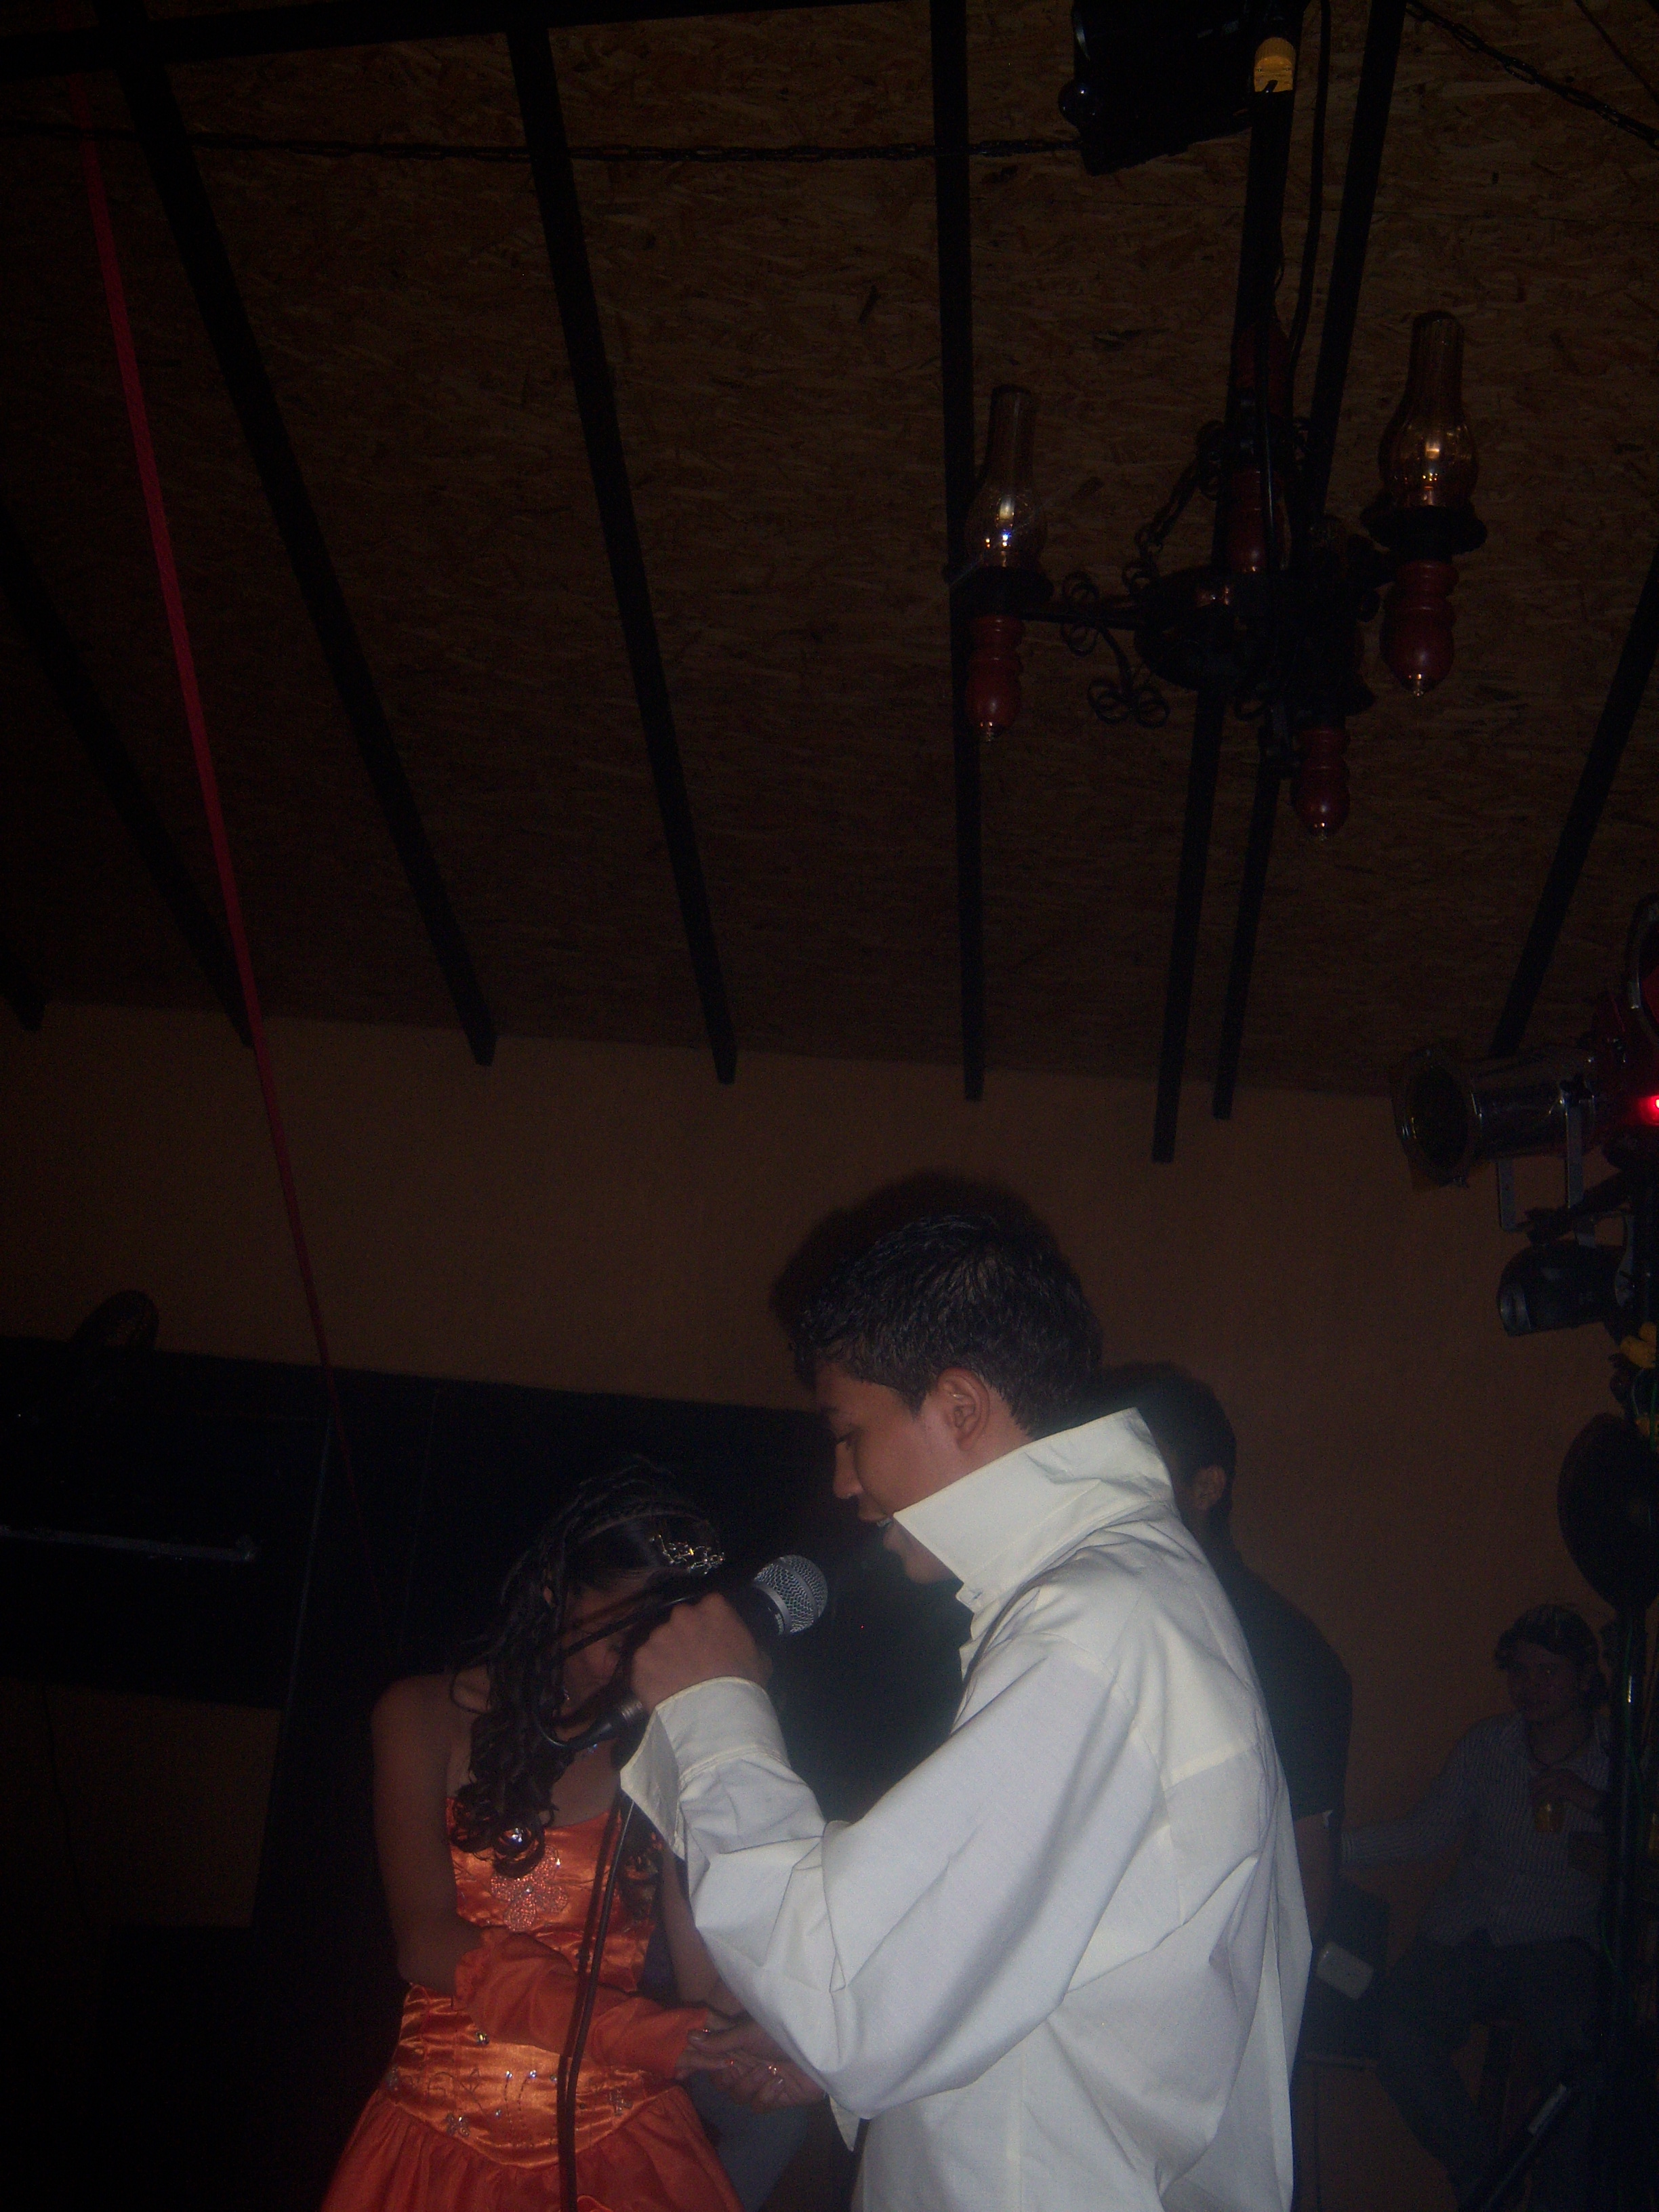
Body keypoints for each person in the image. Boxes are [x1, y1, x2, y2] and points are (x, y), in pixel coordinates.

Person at [622, 1212, 1311, 2212]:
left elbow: (849, 1992)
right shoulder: (1121, 1597)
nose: (845, 1484)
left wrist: (712, 1709)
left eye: (851, 1435)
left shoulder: (1099, 1627)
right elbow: (1018, 1965)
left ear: (958, 1406)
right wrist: (867, 2037)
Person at [322, 1462, 815, 2212]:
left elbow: (704, 1982)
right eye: (623, 1629)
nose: (639, 1659)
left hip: (617, 2139)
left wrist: (751, 2046)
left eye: (664, 1632)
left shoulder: (669, 1742)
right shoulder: (422, 1714)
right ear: (555, 1588)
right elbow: (424, 1941)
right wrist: (642, 2034)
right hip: (439, 2139)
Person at [1343, 1603, 1610, 2212]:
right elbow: (1425, 1834)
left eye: (1548, 1672)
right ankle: (1487, 2181)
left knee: (1580, 2068)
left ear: (1583, 1677)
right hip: (1465, 1935)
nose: (1530, 1687)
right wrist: (1330, 1848)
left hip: (1558, 1947)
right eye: (1521, 1672)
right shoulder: (1490, 1745)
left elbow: (1646, 1843)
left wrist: (1591, 1799)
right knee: (1392, 2026)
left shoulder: (1619, 1759)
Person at [1121, 1364, 1352, 1939]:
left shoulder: (1284, 1655)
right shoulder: (1102, 1617)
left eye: (1135, 1469)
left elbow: (1305, 1871)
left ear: (1206, 1488)